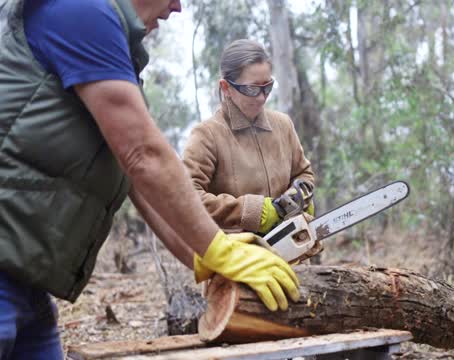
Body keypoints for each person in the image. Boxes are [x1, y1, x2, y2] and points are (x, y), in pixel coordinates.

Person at [0, 1, 299, 359]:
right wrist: (219, 247)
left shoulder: (110, 47)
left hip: (25, 283)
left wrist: (203, 256)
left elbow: (138, 178)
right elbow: (143, 156)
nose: (177, 7)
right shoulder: (80, 9)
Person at [182, 39, 316, 238]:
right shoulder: (207, 135)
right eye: (252, 89)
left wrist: (297, 197)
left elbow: (304, 174)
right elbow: (187, 196)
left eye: (267, 87)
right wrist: (250, 211)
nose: (262, 97)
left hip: (293, 246)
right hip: (237, 255)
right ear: (226, 87)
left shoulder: (283, 125)